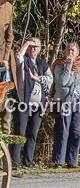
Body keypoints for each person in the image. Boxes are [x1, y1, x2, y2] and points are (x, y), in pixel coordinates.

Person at [12, 37, 51, 168]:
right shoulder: (24, 60)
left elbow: (50, 79)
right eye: (31, 46)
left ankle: (28, 161)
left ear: (40, 49)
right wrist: (27, 43)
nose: (33, 49)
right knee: (19, 132)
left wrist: (37, 78)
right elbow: (18, 56)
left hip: (38, 104)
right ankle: (14, 162)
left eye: (36, 47)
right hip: (24, 102)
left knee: (32, 134)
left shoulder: (41, 63)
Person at [51, 43, 80, 168]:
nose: (71, 52)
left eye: (73, 50)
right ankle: (58, 161)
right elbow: (62, 82)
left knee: (75, 131)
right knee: (62, 131)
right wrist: (68, 64)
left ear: (78, 52)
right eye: (68, 50)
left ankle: (72, 161)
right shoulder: (59, 64)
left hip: (77, 102)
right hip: (62, 102)